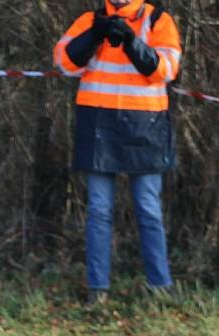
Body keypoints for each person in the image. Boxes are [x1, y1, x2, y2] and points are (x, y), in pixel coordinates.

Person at [54, 2, 182, 304]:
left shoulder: (158, 21)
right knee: (99, 211)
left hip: (144, 128)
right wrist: (93, 36)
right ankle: (98, 290)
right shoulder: (89, 20)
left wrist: (130, 41)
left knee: (148, 210)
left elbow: (166, 70)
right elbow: (64, 63)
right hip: (99, 126)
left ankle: (161, 287)